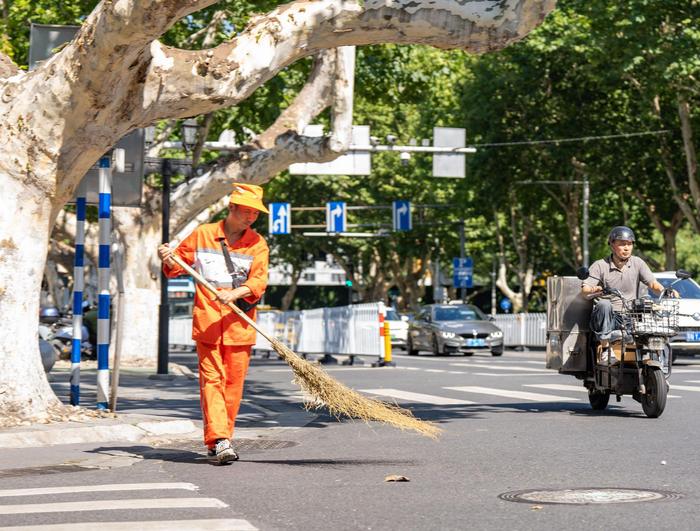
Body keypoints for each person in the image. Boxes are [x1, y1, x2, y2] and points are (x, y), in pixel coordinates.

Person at [158, 183, 269, 464]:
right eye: (246, 212)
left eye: (255, 214)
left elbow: (258, 281)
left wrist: (235, 292)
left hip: (240, 325)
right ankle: (220, 439)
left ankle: (221, 438)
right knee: (212, 381)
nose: (251, 218)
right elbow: (176, 266)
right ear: (231, 208)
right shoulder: (203, 234)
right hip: (207, 321)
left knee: (233, 385)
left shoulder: (258, 244)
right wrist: (168, 257)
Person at [581, 225, 677, 364]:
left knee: (649, 309)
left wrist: (665, 291)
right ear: (612, 245)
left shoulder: (637, 263)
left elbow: (653, 284)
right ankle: (606, 348)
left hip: (629, 316)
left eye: (629, 244)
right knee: (604, 304)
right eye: (622, 244)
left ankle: (656, 361)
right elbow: (585, 289)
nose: (626, 248)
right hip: (607, 317)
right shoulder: (600, 265)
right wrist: (593, 289)